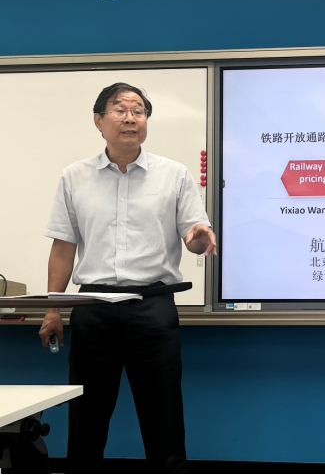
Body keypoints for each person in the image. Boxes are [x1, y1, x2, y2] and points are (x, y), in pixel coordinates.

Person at [38, 83, 216, 475]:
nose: (131, 118)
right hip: (92, 309)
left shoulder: (174, 175)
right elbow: (63, 248)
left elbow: (194, 238)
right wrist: (53, 308)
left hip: (152, 309)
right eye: (120, 109)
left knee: (164, 419)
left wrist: (200, 239)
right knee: (86, 419)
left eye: (139, 110)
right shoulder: (74, 176)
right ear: (99, 120)